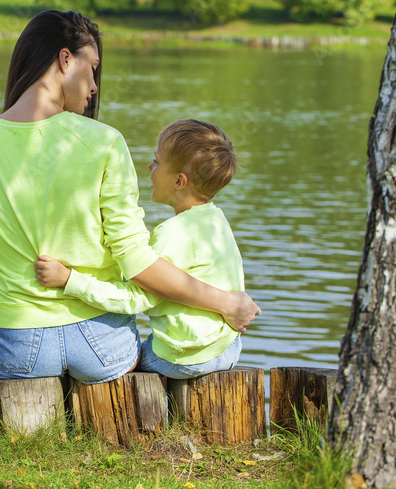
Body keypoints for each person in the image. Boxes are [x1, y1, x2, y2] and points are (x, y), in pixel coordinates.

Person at [0, 10, 259, 384]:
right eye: (94, 67)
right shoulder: (104, 141)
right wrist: (226, 302)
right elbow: (136, 260)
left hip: (18, 351)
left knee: (0, 356)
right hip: (103, 347)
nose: (95, 85)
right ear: (65, 59)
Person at [35, 119, 245, 378]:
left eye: (156, 162)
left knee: (118, 360)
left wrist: (70, 280)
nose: (149, 167)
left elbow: (135, 298)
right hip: (228, 347)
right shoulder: (217, 222)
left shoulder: (172, 233)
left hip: (187, 355)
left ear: (180, 181)